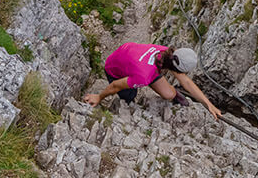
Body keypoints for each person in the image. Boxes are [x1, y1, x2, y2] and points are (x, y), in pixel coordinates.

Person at [83, 42, 222, 120]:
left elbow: (186, 82)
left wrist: (208, 104)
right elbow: (115, 86)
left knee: (168, 94)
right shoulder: (143, 77)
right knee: (129, 97)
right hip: (115, 69)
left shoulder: (166, 53)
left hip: (131, 56)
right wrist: (99, 97)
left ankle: (176, 95)